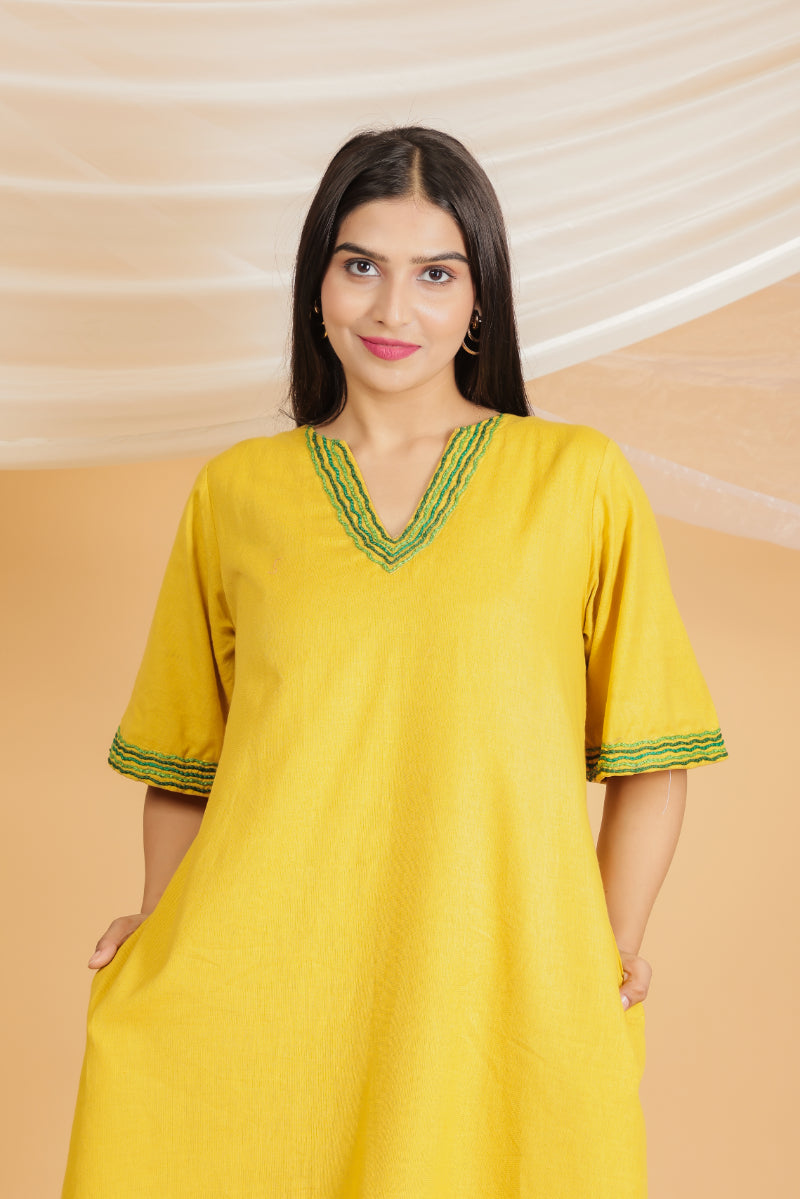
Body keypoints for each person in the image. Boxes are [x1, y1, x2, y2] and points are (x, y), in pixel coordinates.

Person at [62, 126, 727, 1199]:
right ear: (317, 283)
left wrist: (604, 943)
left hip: (496, 993)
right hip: (267, 993)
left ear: (479, 299)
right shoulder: (236, 493)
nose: (391, 309)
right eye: (360, 265)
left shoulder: (575, 479)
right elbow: (185, 768)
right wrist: (161, 920)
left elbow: (652, 756)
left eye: (434, 274)